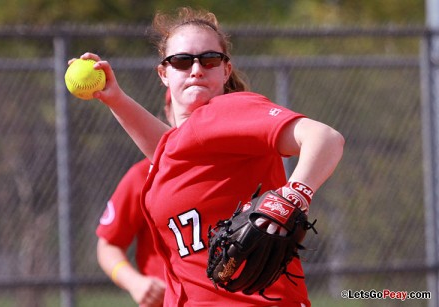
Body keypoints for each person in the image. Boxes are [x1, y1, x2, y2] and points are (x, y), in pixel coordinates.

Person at [71, 6, 344, 307]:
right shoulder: (185, 143)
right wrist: (116, 99)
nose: (197, 69)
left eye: (210, 60)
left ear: (226, 70)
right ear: (163, 73)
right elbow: (169, 152)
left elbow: (325, 138)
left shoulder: (228, 110)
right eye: (182, 61)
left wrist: (294, 196)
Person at [95, 90, 174, 307]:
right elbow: (108, 245)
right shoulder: (142, 176)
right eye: (179, 105)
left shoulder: (234, 171)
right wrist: (135, 283)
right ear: (167, 112)